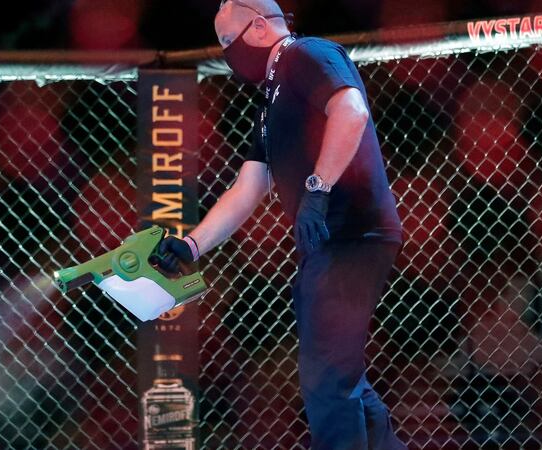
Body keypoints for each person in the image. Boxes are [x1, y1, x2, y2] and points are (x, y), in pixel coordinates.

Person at [157, 1, 406, 448]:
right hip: (329, 242)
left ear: (257, 27)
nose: (227, 53)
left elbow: (351, 110)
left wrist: (317, 188)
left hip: (353, 232)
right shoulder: (271, 100)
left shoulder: (305, 55)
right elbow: (246, 188)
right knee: (342, 377)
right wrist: (191, 246)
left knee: (326, 377)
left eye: (228, 42)